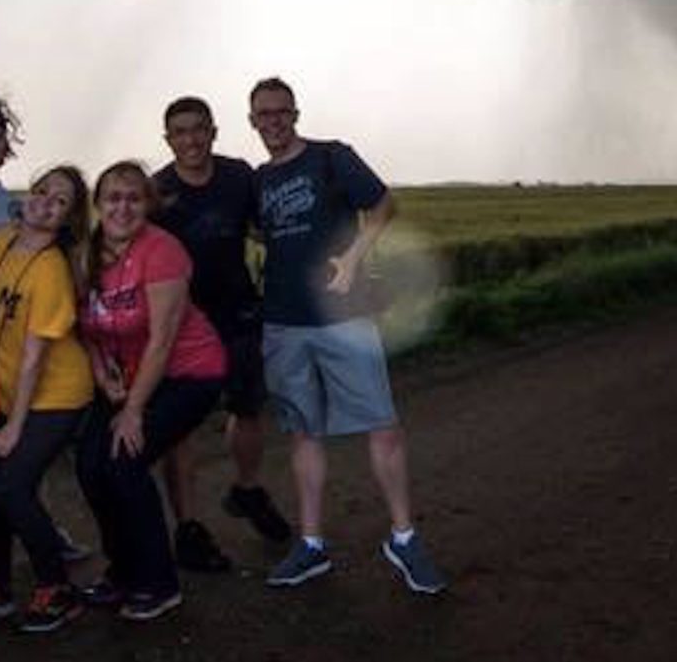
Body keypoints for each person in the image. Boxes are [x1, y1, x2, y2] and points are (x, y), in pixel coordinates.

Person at [247, 77, 446, 594]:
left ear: (295, 113)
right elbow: (258, 230)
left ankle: (404, 538)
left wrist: (353, 258)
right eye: (262, 116)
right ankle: (312, 546)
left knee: (382, 425)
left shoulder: (332, 157)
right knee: (303, 432)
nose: (272, 123)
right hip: (285, 322)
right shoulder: (258, 180)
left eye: (280, 113)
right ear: (252, 122)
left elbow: (383, 205)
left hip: (344, 319)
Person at [0, 164, 97, 633]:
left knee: (11, 486)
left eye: (60, 200)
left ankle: (57, 587)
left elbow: (33, 358)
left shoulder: (51, 269)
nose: (46, 201)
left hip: (56, 395)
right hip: (4, 393)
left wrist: (12, 425)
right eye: (42, 190)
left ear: (69, 218)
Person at [74, 162, 230, 621]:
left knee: (125, 462)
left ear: (148, 204)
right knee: (89, 466)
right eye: (112, 198)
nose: (122, 207)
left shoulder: (162, 252)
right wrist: (103, 375)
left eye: (133, 198)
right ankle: (121, 570)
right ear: (98, 205)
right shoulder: (87, 254)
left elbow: (162, 339)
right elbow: (85, 327)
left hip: (189, 372)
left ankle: (158, 582)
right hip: (127, 377)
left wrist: (133, 411)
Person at [151, 96, 292, 567]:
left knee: (247, 407)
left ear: (213, 131)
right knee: (180, 429)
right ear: (167, 140)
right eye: (180, 132)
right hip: (181, 322)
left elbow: (265, 228)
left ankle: (247, 489)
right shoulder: (158, 192)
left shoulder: (238, 176)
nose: (190, 139)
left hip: (238, 311)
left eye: (198, 129)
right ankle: (188, 529)